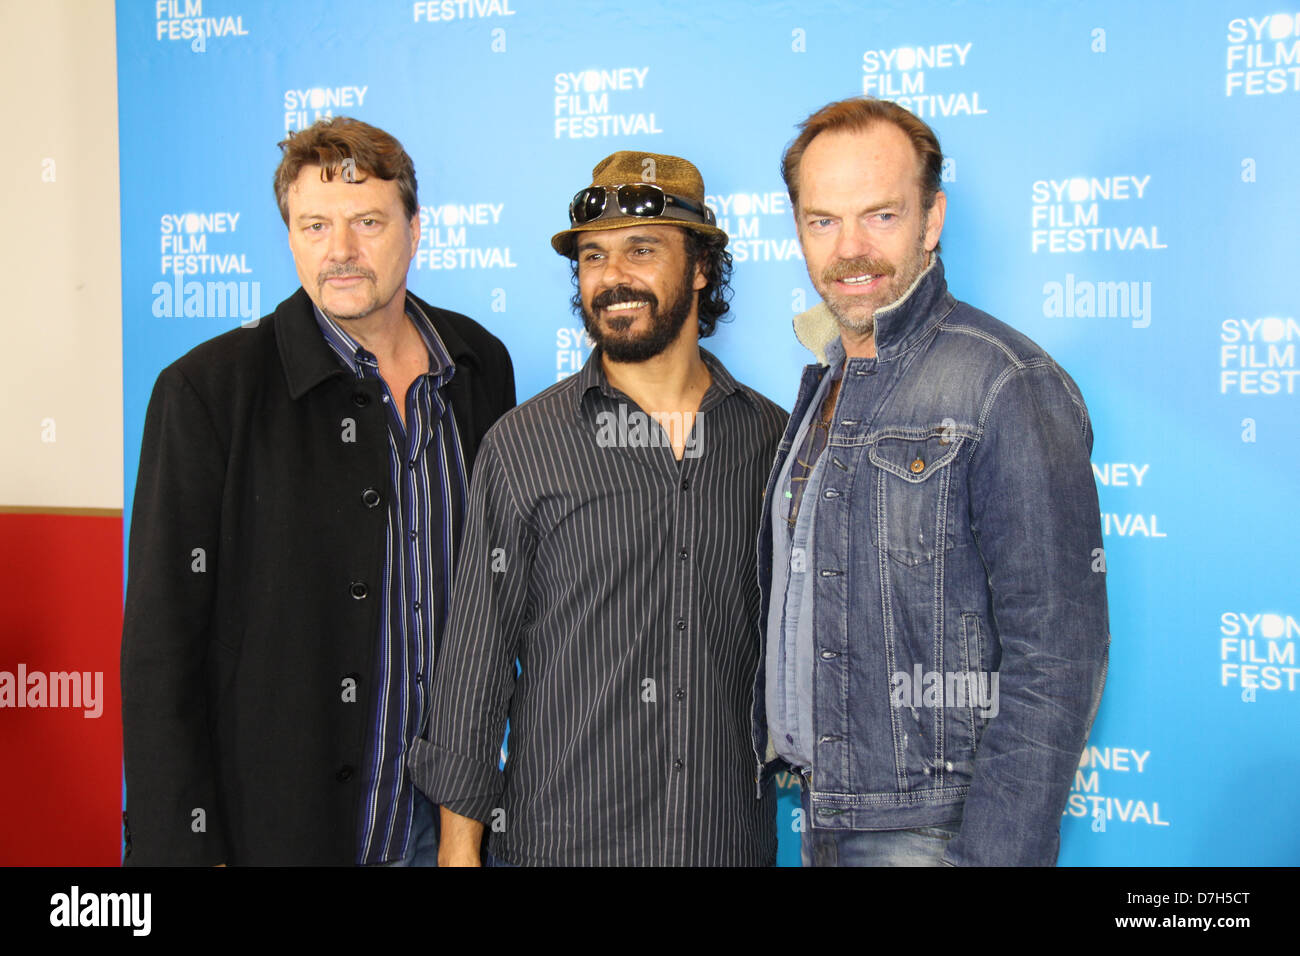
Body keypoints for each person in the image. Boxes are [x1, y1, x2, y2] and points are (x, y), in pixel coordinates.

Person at [120, 116, 515, 865]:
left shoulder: (477, 367)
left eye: (367, 221)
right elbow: (161, 652)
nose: (340, 251)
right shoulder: (207, 393)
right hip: (285, 831)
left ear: (415, 228)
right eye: (313, 225)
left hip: (451, 828)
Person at [757, 97, 1109, 867]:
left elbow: (1056, 658)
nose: (850, 248)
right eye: (822, 221)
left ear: (932, 218)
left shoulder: (1003, 382)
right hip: (830, 810)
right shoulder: (828, 378)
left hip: (935, 833)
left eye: (880, 215)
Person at [408, 151, 785, 866]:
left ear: (702, 266)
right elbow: (474, 671)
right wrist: (458, 858)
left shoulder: (773, 444)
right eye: (592, 256)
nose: (612, 278)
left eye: (642, 250)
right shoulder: (524, 446)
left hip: (723, 840)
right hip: (561, 843)